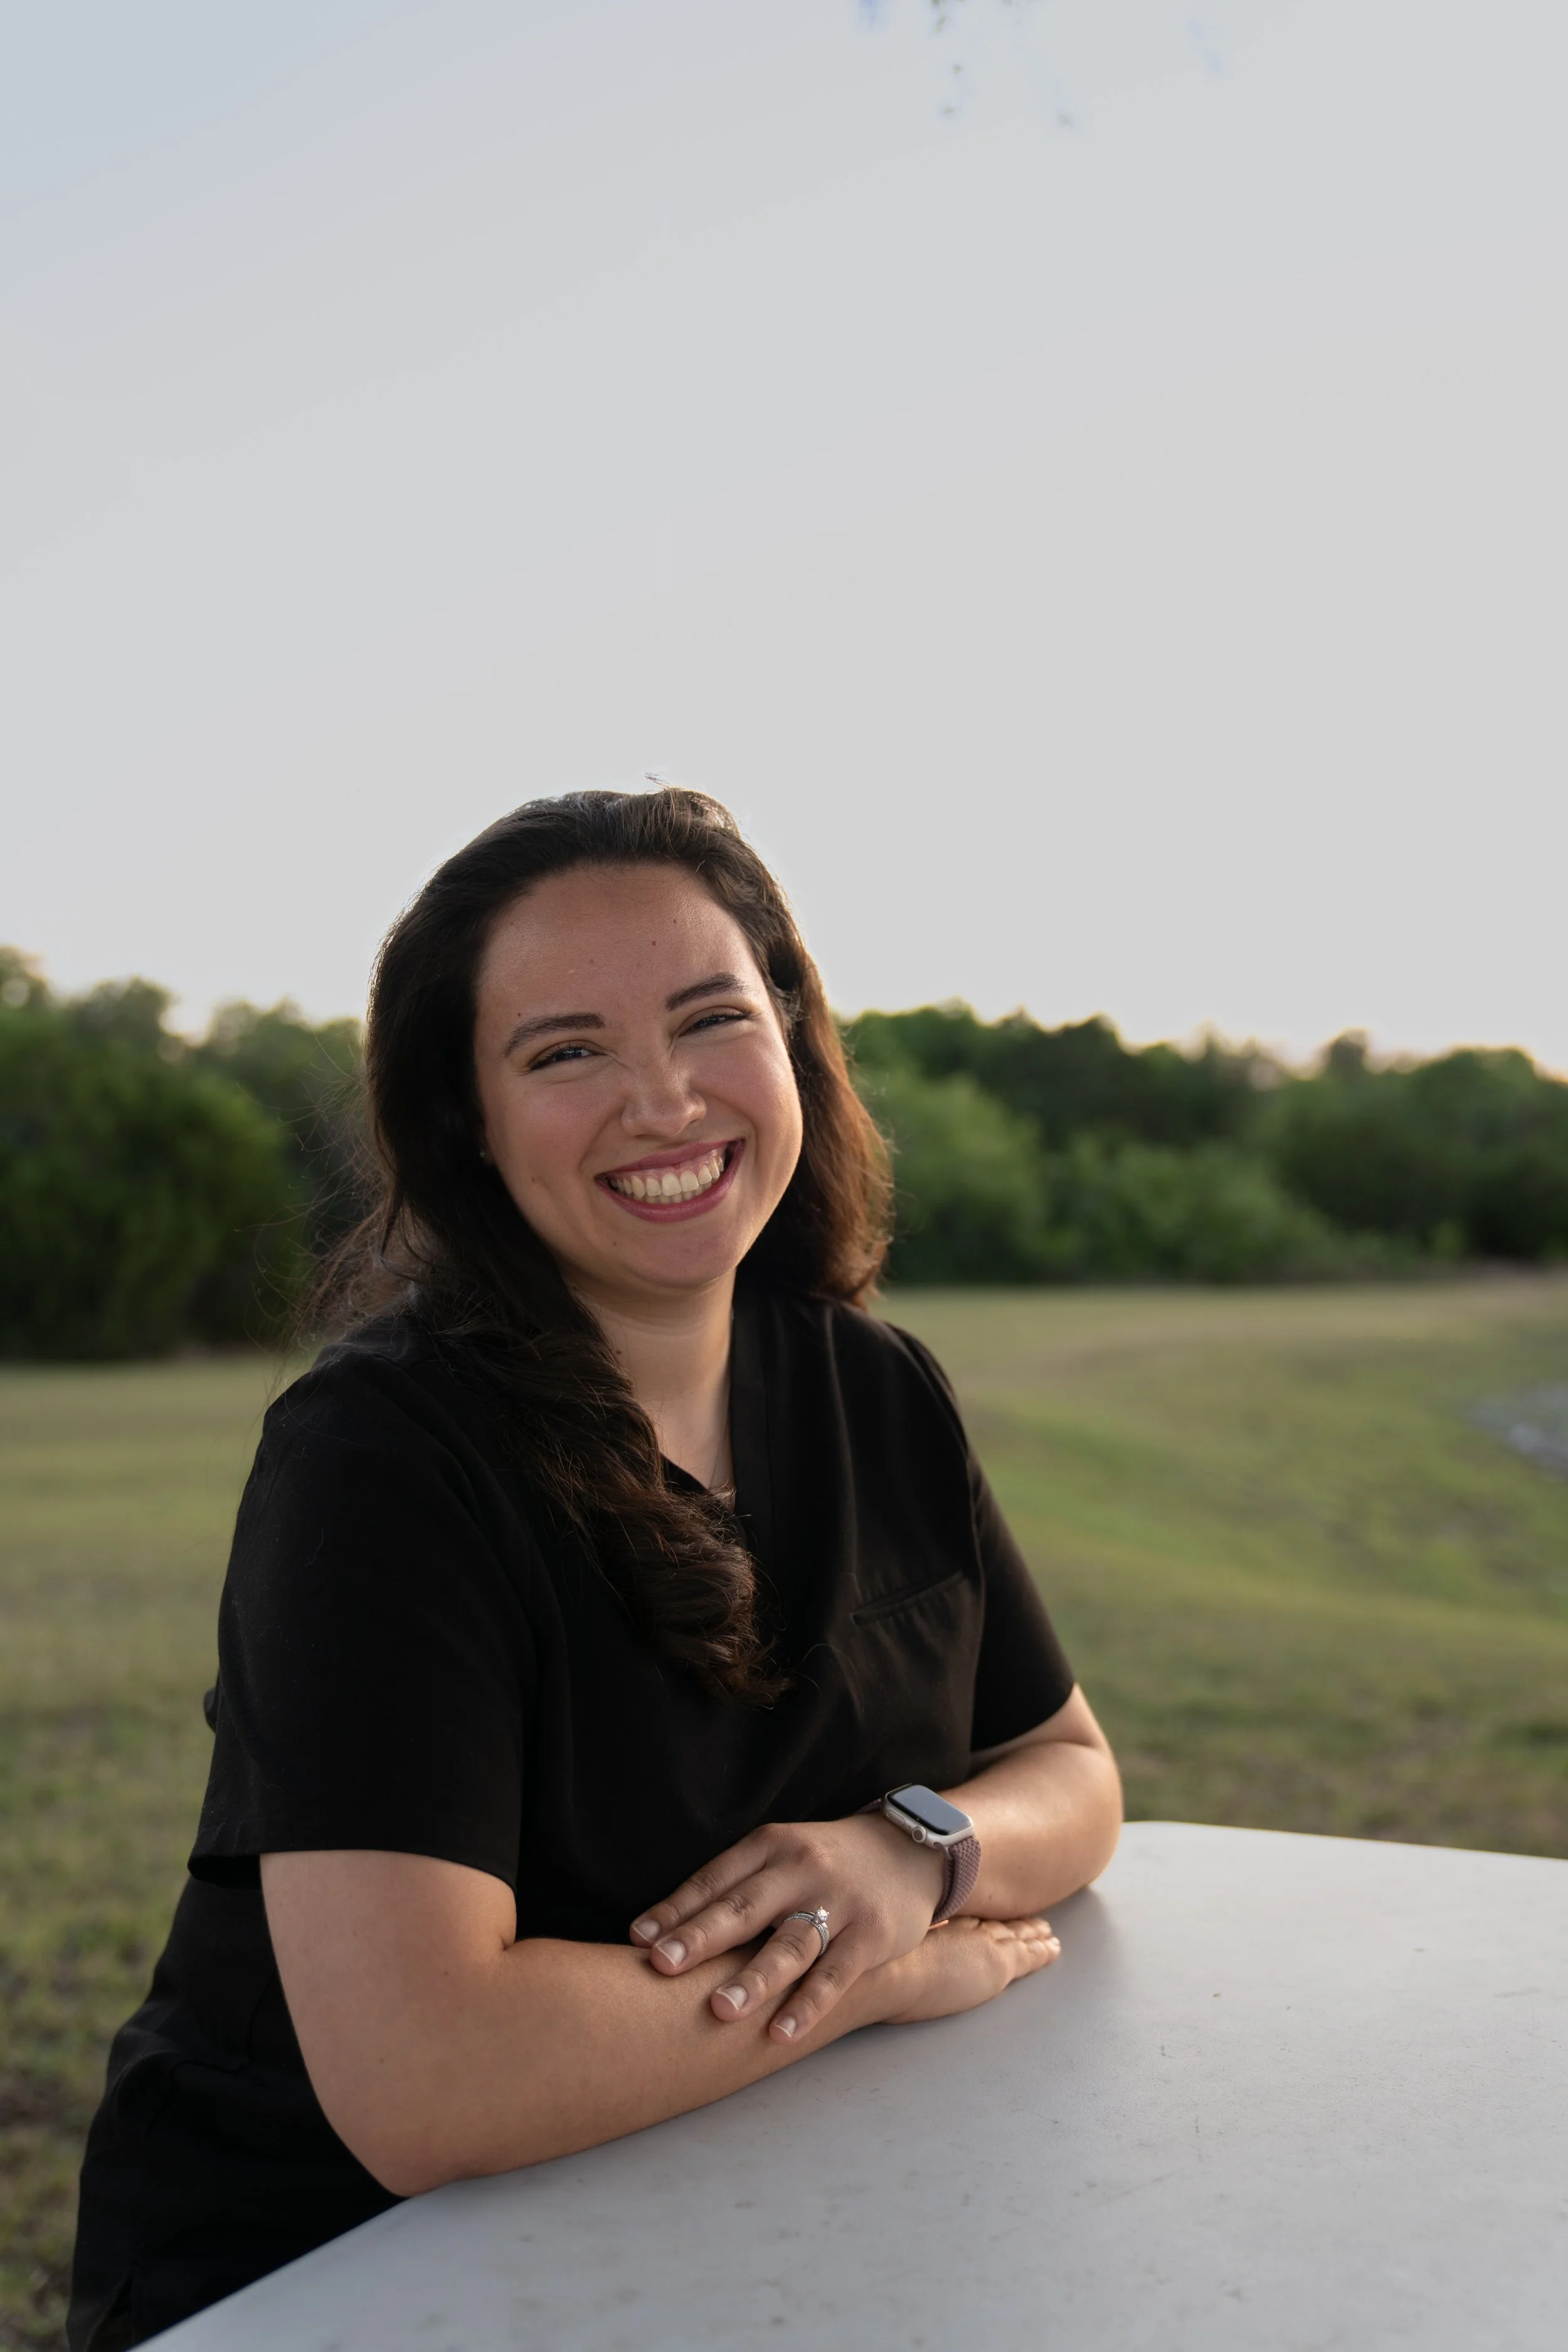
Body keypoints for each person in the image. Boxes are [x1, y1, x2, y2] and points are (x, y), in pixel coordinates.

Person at [68, 788, 1122, 2349]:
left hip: (741, 2230)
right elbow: (430, 2085)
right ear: (467, 1130)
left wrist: (904, 1859)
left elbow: (1068, 1774)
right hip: (340, 2281)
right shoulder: (378, 1464)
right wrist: (865, 1978)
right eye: (566, 1052)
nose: (664, 1099)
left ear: (793, 1042)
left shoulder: (874, 1387)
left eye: (712, 1019)